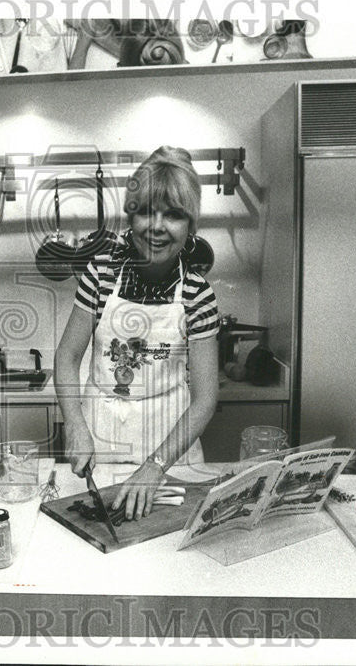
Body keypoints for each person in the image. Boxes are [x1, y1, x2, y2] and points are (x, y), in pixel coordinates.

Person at [54, 146, 221, 521]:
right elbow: (66, 357)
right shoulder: (100, 274)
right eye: (146, 211)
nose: (157, 227)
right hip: (100, 440)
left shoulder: (198, 294)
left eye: (174, 215)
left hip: (170, 451)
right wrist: (76, 426)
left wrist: (155, 466)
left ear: (190, 225)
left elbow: (206, 399)